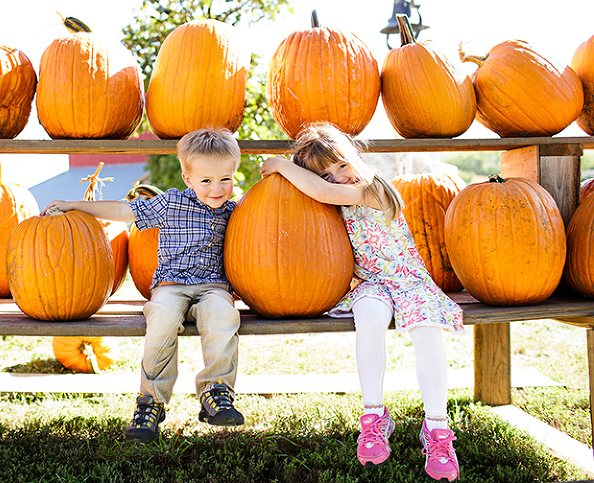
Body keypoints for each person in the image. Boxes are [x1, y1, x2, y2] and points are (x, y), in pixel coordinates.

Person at [260, 122, 464, 482]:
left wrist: (280, 165)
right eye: (327, 173)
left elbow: (321, 191)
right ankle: (374, 415)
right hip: (371, 284)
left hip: (409, 281)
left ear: (354, 156)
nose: (338, 176)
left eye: (342, 165)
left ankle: (436, 426)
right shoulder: (337, 197)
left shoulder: (371, 189)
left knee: (426, 330)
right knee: (368, 317)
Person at [40, 127, 244, 443]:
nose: (217, 189)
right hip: (171, 286)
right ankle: (150, 402)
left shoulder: (235, 211)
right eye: (206, 180)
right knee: (162, 319)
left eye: (225, 179)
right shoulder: (170, 203)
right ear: (188, 179)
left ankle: (216, 392)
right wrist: (74, 205)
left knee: (223, 316)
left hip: (213, 287)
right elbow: (124, 210)